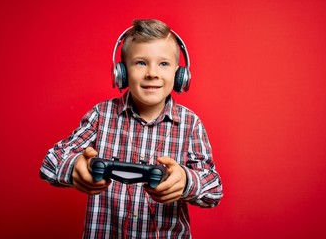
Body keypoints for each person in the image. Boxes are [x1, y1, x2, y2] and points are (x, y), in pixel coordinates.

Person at [40, 18, 223, 238]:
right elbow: (50, 164)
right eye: (140, 63)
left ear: (180, 74)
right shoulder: (101, 115)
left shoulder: (190, 124)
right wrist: (74, 166)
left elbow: (214, 191)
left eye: (163, 64)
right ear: (121, 72)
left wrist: (186, 181)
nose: (152, 73)